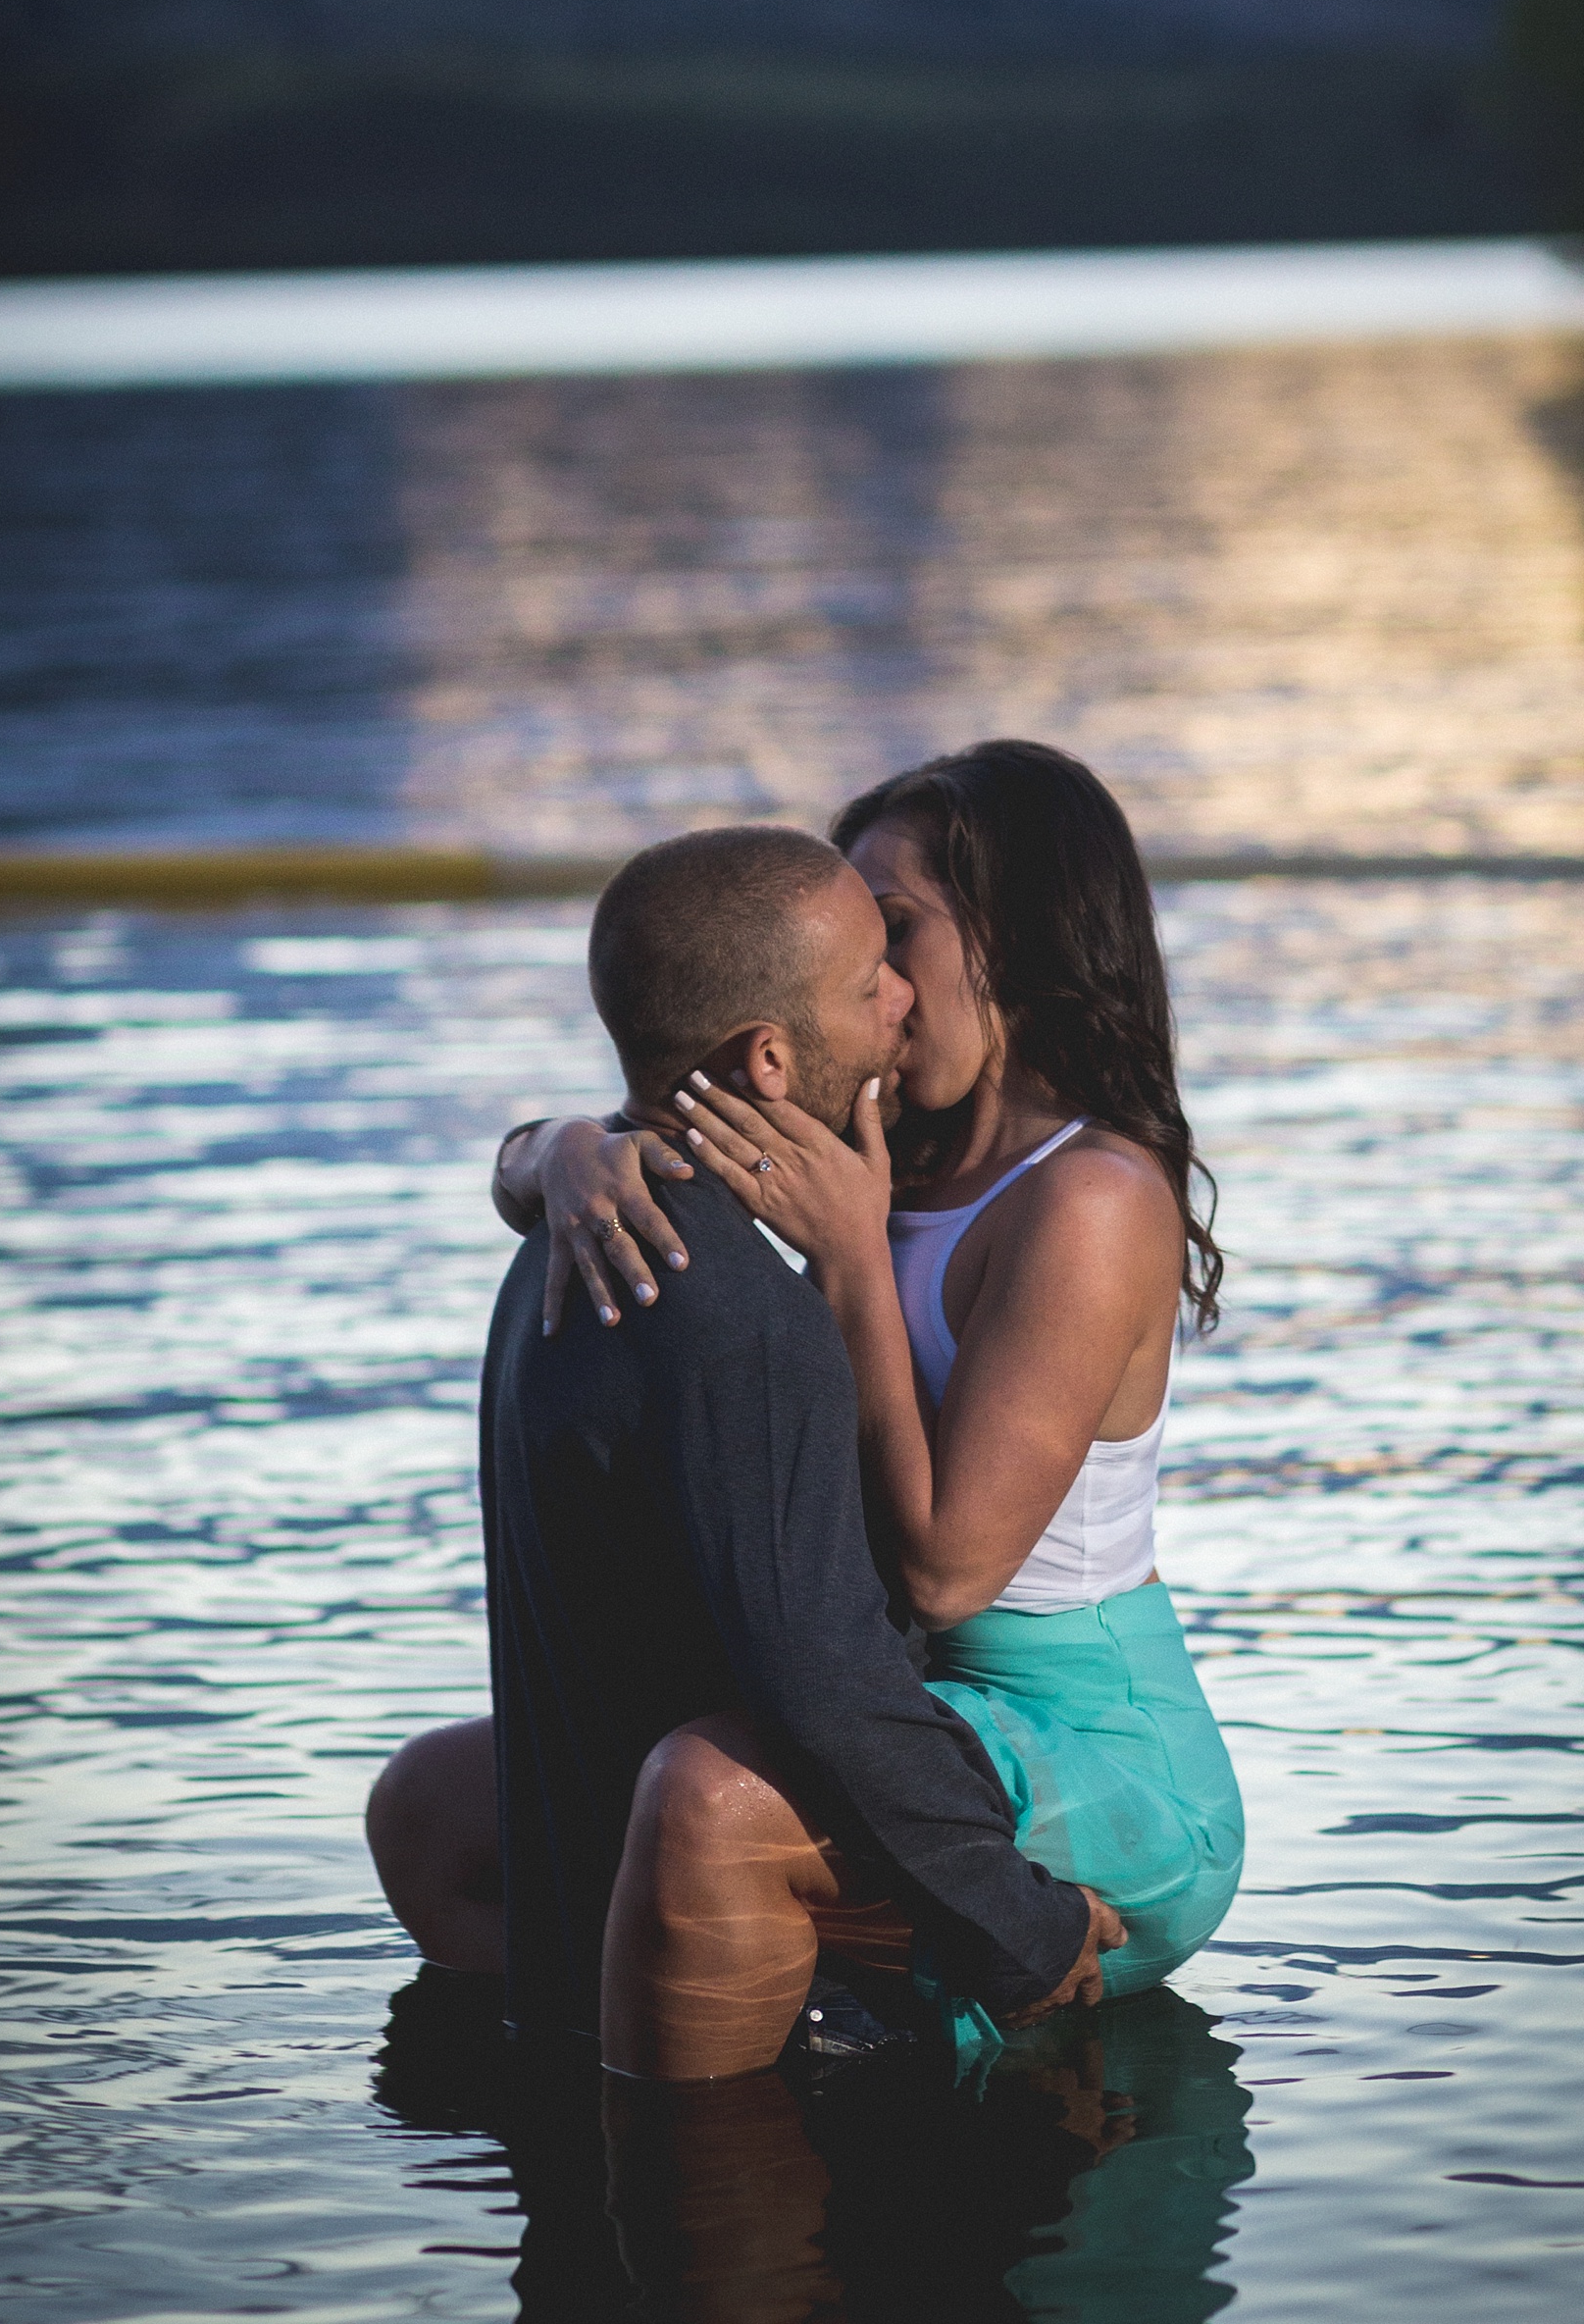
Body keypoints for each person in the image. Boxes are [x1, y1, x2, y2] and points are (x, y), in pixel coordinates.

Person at [487, 742, 1244, 2055]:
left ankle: (711, 2200)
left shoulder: (1090, 1198)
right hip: (901, 1719)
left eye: (899, 933)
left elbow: (948, 1573)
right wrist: (560, 1151)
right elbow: (693, 1068)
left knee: (701, 1795)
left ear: (1023, 942)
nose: (884, 987)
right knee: (443, 1807)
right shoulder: (883, 1142)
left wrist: (851, 1261)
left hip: (1089, 1753)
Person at [369, 819, 1117, 2080]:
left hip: (571, 1956)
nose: (899, 1003)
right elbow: (825, 1684)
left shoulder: (558, 1249)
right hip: (721, 1988)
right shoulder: (733, 1314)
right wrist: (1021, 1927)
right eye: (871, 978)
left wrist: (547, 1147)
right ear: (769, 1056)